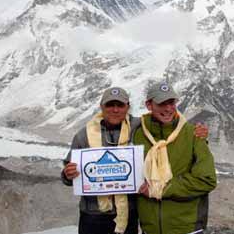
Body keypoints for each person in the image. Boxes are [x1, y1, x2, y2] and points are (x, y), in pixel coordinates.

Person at [61, 86, 209, 234]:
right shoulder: (84, 135)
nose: (115, 110)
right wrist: (68, 175)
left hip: (129, 214)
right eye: (110, 105)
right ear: (101, 107)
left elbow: (167, 122)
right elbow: (68, 175)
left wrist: (197, 133)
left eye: (120, 105)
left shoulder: (139, 127)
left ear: (128, 107)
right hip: (92, 214)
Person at [134, 82, 217, 234]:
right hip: (150, 229)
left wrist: (161, 189)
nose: (168, 109)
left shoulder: (193, 134)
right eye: (161, 103)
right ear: (149, 105)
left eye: (171, 102)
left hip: (187, 228)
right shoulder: (137, 134)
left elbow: (207, 179)